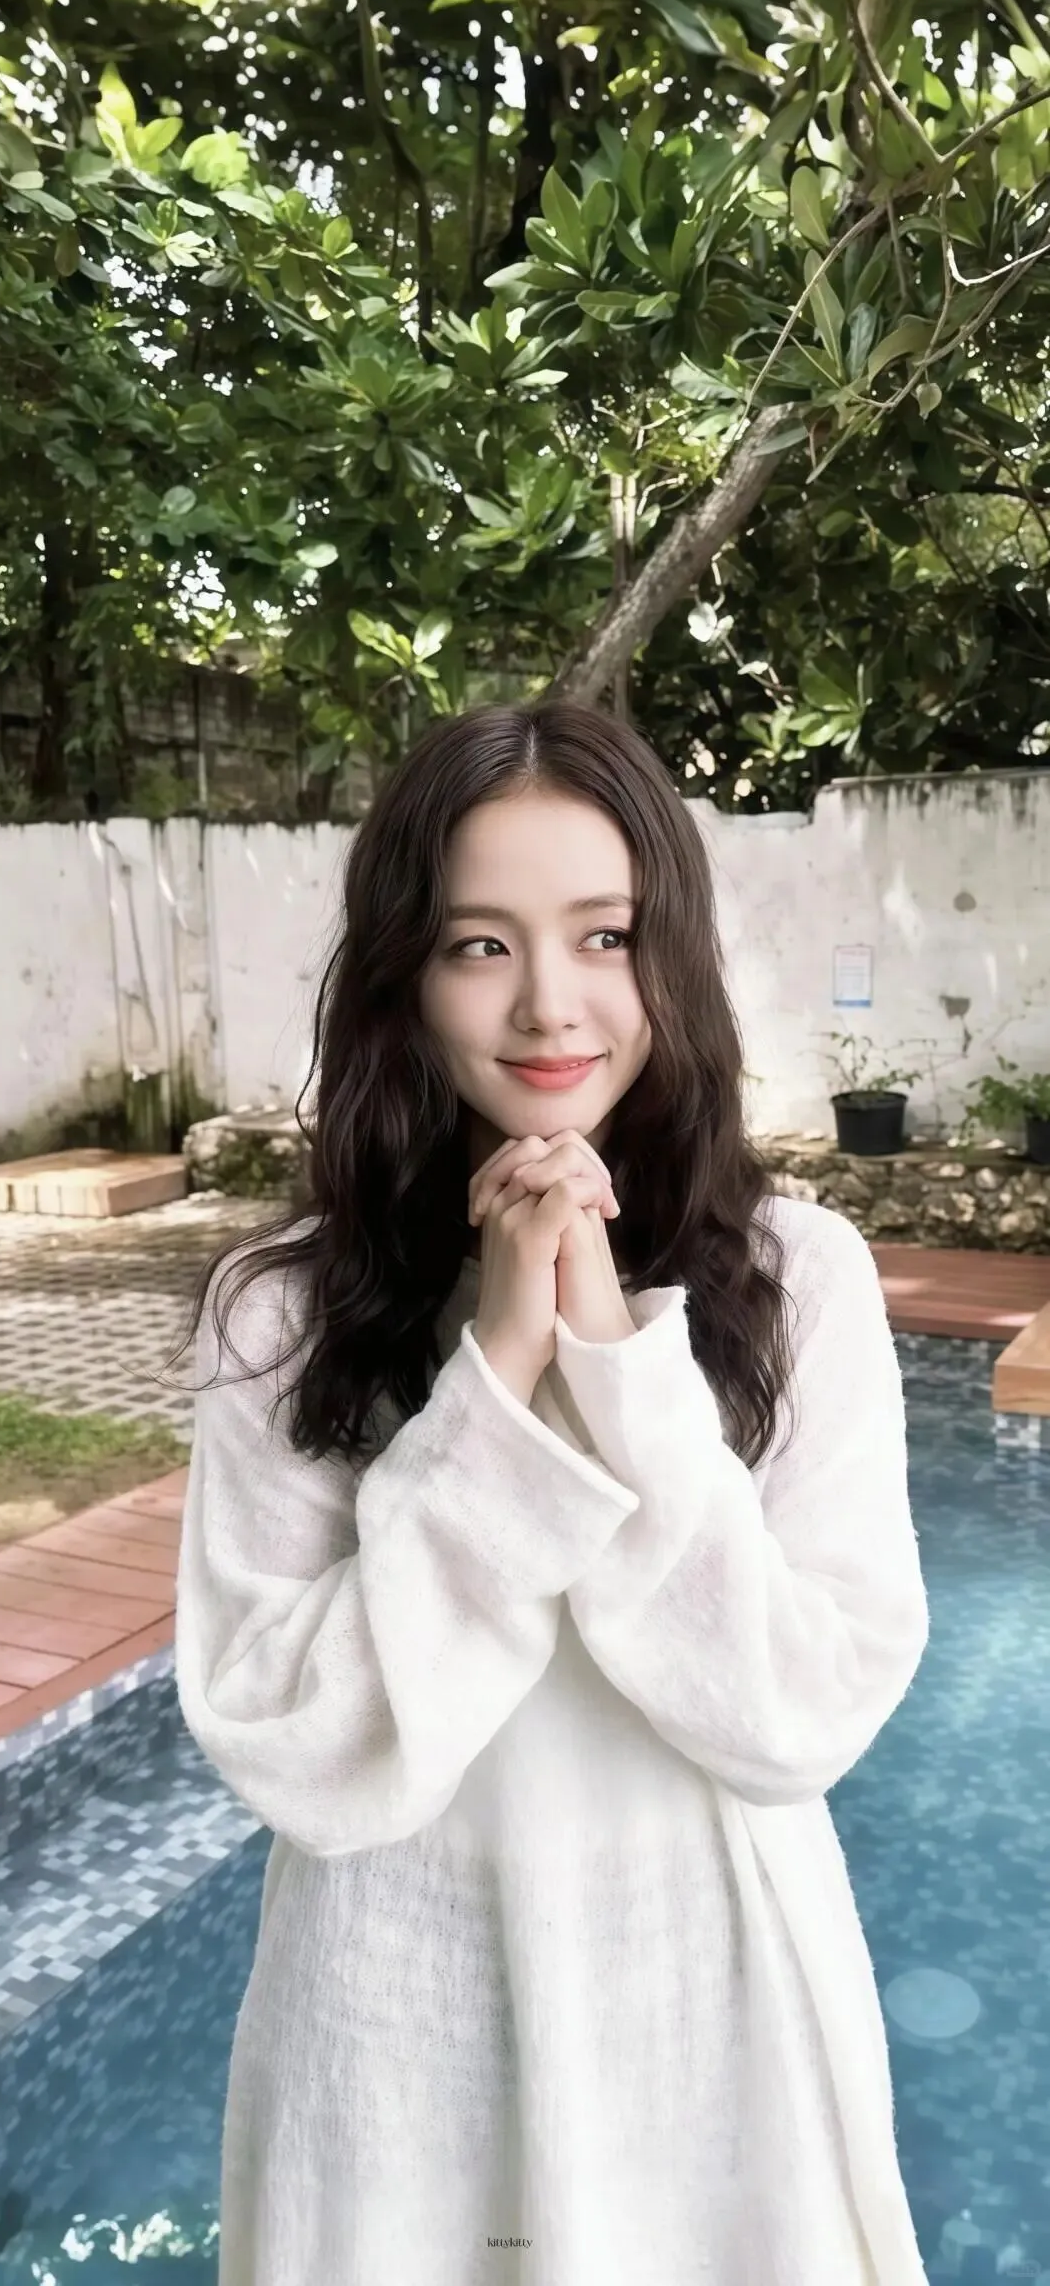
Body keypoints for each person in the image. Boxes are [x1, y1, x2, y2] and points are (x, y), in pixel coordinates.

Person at [171, 698, 931, 2286]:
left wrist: (608, 1345)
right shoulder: (283, 1315)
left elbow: (801, 1712)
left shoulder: (803, 1279)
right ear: (405, 973)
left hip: (715, 2017)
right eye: (479, 944)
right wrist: (499, 1364)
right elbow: (293, 1739)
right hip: (396, 2026)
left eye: (605, 934)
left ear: (674, 956)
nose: (549, 1004)